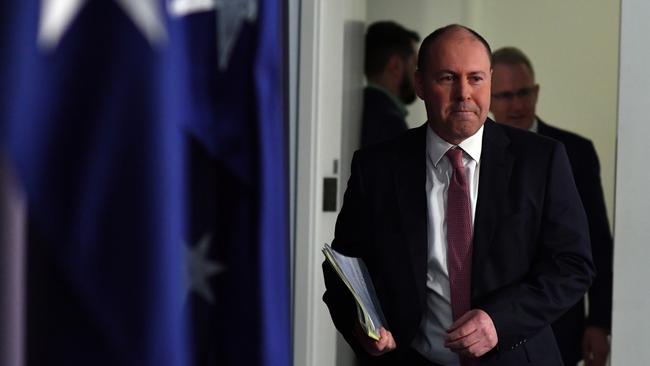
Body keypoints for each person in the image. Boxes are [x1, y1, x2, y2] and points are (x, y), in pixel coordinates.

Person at [323, 24, 594, 366]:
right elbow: (344, 272)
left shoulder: (542, 161)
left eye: (476, 78)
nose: (464, 93)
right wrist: (362, 328)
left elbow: (573, 265)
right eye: (448, 78)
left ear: (490, 81)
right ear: (420, 84)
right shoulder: (376, 168)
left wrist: (500, 321)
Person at [490, 46, 613, 366]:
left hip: (559, 322)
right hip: (490, 326)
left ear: (537, 92)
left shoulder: (575, 152)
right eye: (504, 96)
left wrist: (599, 322)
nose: (517, 105)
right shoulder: (471, 154)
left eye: (523, 93)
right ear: (486, 99)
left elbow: (597, 240)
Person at [361, 21, 420, 147]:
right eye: (415, 65)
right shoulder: (389, 122)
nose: (419, 76)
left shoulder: (363, 107)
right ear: (395, 66)